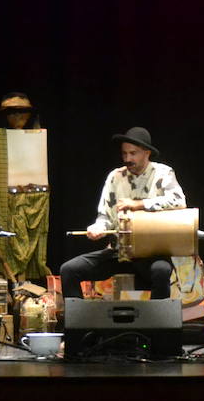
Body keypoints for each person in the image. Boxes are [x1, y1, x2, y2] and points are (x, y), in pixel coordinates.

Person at [60, 126, 185, 300]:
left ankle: (158, 327)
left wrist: (139, 204)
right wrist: (98, 228)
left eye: (133, 153)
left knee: (161, 271)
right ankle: (78, 326)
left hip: (150, 253)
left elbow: (179, 201)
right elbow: (105, 217)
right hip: (119, 252)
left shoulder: (163, 173)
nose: (128, 158)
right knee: (69, 270)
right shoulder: (115, 177)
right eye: (124, 154)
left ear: (147, 153)